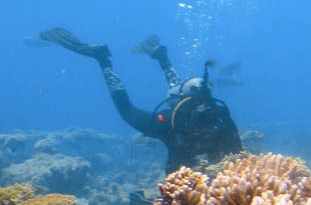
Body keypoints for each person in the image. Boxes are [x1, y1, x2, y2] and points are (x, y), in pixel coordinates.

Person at [41, 28, 242, 172]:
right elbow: (128, 111)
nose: (201, 140)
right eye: (198, 135)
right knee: (127, 111)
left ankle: (161, 56)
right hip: (174, 115)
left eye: (205, 135)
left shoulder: (221, 120)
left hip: (184, 103)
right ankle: (103, 60)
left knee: (180, 92)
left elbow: (240, 157)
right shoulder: (169, 122)